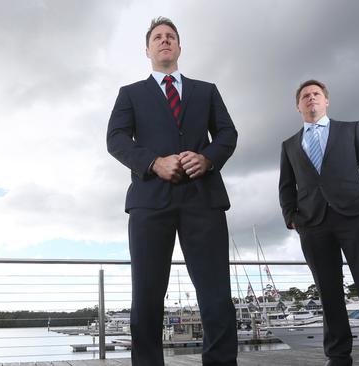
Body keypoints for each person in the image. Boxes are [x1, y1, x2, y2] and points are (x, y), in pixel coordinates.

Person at [106, 16, 238, 366]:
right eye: (158, 37)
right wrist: (153, 163)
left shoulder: (206, 90)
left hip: (203, 199)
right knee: (147, 295)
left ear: (179, 46)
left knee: (216, 294)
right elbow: (116, 140)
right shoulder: (130, 94)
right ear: (147, 49)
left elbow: (227, 134)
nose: (165, 41)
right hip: (150, 201)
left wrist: (207, 159)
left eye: (171, 37)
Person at [278, 79, 359, 366]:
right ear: (297, 106)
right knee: (328, 291)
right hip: (312, 224)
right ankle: (337, 355)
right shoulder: (289, 145)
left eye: (316, 94)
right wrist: (291, 218)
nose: (311, 98)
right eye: (305, 96)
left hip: (355, 218)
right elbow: (286, 186)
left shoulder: (352, 130)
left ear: (326, 101)